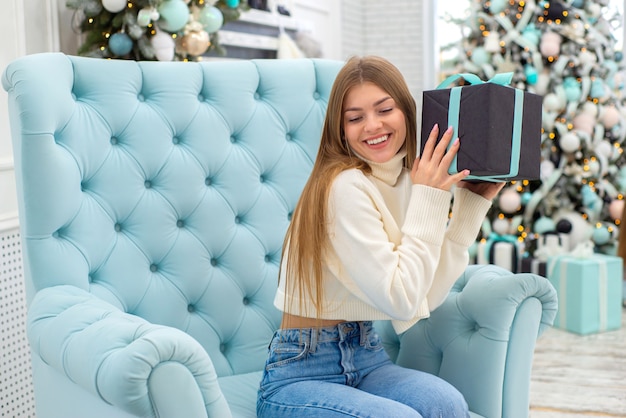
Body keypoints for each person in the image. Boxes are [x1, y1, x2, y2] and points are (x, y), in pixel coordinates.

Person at [256, 55, 505, 418]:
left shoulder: (408, 180)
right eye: (355, 118)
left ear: (405, 111)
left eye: (384, 109)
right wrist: (430, 198)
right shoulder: (343, 186)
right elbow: (400, 301)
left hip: (367, 356)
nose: (372, 126)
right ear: (340, 130)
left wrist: (470, 205)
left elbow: (422, 298)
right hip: (299, 371)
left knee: (447, 404)